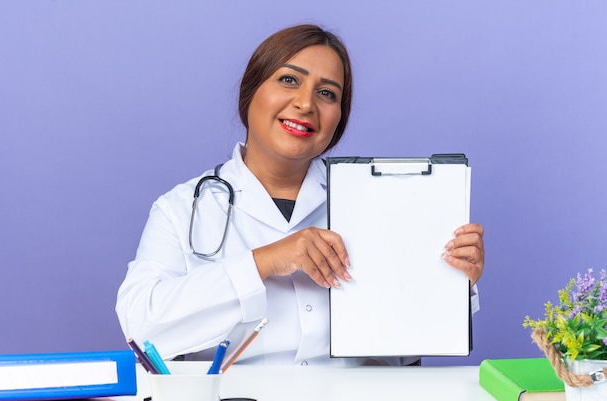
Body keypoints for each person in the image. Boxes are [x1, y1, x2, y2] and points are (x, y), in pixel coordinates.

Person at [115, 24, 485, 366]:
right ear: (251, 92)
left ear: (339, 116)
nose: (306, 104)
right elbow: (140, 328)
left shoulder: (376, 202)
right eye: (289, 80)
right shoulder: (181, 209)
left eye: (327, 93)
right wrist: (263, 262)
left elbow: (403, 354)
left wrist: (451, 285)